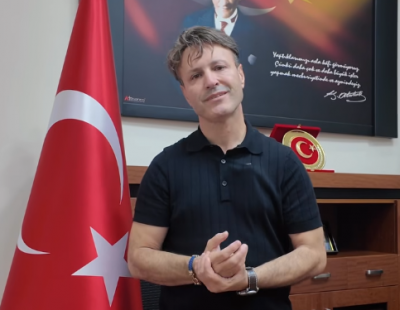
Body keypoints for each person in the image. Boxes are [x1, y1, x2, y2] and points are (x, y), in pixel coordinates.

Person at [127, 26, 326, 310]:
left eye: (219, 67)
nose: (211, 81)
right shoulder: (164, 167)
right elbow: (138, 258)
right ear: (185, 93)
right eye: (195, 75)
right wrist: (197, 267)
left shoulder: (285, 162)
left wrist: (249, 278)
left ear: (240, 75)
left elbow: (314, 254)